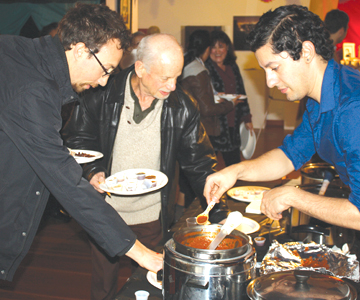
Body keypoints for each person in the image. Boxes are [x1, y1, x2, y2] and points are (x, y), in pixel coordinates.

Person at [204, 5, 360, 300]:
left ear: (306, 52)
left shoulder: (355, 110)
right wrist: (235, 171)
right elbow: (289, 155)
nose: (269, 81)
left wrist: (293, 196)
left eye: (274, 67)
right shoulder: (322, 94)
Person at [0, 3, 162, 283]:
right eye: (105, 70)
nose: (103, 82)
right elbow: (66, 182)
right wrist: (140, 252)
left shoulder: (22, 53)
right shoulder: (34, 90)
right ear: (79, 50)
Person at [62, 33, 230, 300]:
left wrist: (218, 209)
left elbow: (199, 162)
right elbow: (77, 139)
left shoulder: (183, 106)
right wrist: (92, 171)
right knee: (104, 286)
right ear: (140, 68)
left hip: (153, 214)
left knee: (153, 284)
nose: (173, 86)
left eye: (177, 76)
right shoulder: (101, 91)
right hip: (106, 212)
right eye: (165, 78)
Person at [176, 29, 242, 217]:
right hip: (200, 128)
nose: (216, 51)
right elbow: (206, 109)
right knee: (199, 175)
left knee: (188, 176)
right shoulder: (199, 69)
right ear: (206, 49)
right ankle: (199, 215)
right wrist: (230, 104)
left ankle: (187, 215)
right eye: (213, 47)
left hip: (192, 127)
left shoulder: (189, 64)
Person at [205, 30, 253, 167]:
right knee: (209, 164)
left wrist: (247, 118)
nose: (217, 51)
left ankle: (233, 188)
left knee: (234, 162)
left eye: (221, 46)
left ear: (227, 48)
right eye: (213, 47)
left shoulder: (232, 66)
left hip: (234, 120)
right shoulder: (206, 68)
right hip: (215, 124)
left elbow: (241, 92)